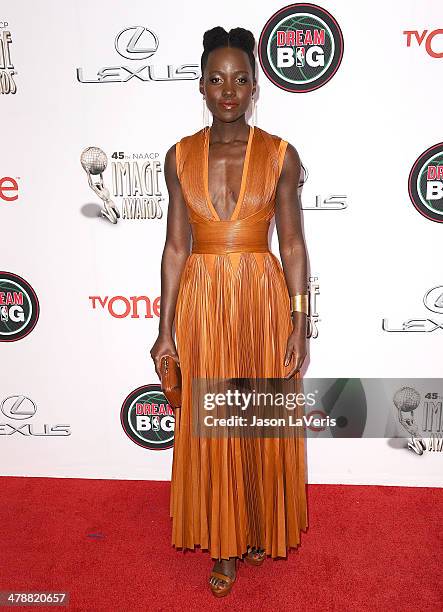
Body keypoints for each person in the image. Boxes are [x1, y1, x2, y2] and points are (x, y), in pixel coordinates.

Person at [150, 26, 308, 597]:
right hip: (202, 299)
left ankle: (260, 524)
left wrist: (299, 321)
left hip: (262, 299)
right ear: (201, 84)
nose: (228, 90)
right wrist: (164, 328)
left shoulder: (280, 155)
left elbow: (291, 244)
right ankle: (224, 545)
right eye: (216, 79)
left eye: (240, 79)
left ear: (255, 86)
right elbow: (174, 247)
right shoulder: (179, 156)